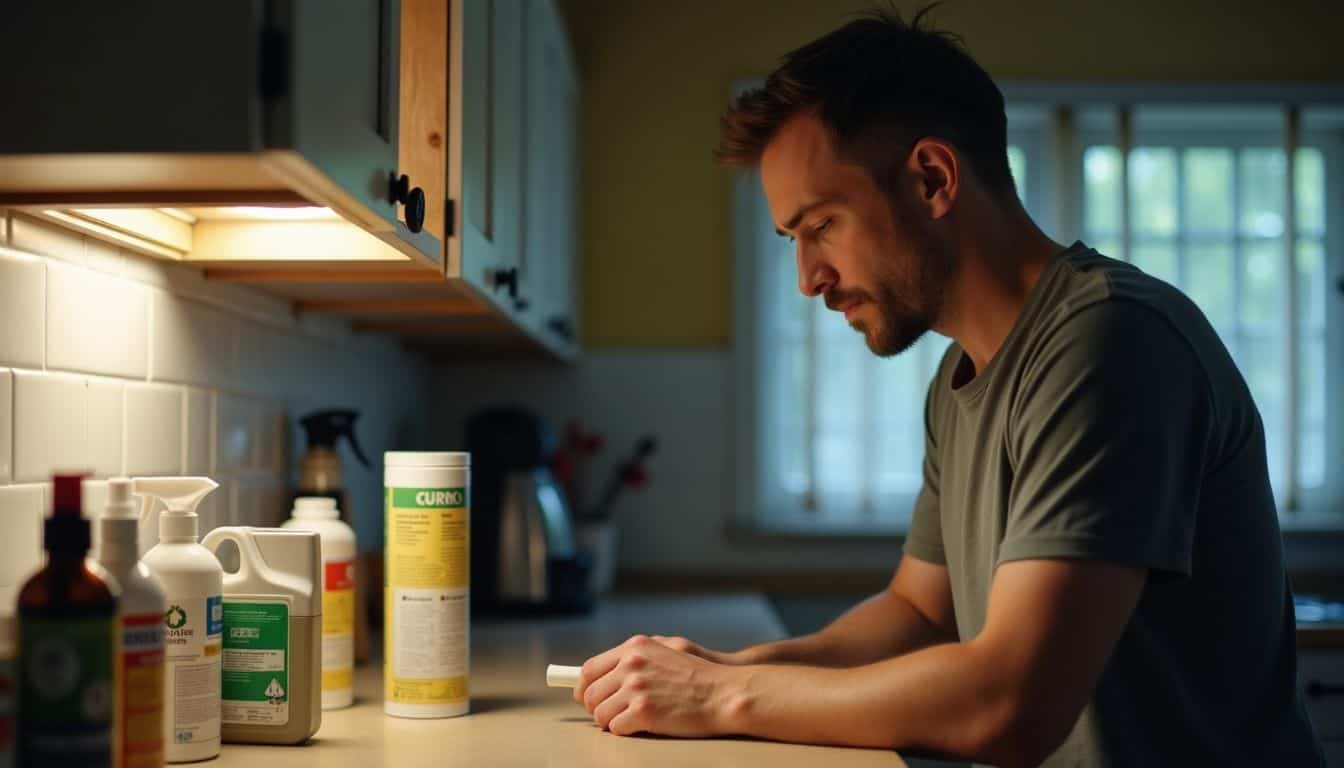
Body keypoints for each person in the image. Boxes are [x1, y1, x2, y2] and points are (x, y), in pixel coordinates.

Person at [572, 7, 1326, 767]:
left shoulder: (1111, 340)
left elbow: (1010, 701)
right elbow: (921, 613)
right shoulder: (959, 375)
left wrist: (713, 699)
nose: (808, 279)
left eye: (822, 225)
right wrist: (729, 669)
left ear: (932, 179)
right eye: (792, 241)